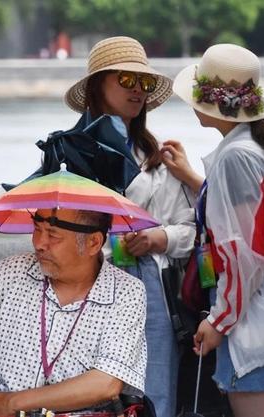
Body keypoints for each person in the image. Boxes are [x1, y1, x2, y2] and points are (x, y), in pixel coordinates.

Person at [161, 44, 264, 417]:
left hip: (256, 321)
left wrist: (218, 321)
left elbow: (247, 256)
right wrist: (194, 180)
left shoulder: (236, 157)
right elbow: (249, 221)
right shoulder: (257, 148)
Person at [63, 36, 195, 417]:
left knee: (155, 396)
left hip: (151, 289)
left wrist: (160, 238)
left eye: (145, 83)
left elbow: (190, 229)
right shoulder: (69, 155)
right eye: (125, 80)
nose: (137, 90)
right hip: (87, 289)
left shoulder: (158, 157)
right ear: (97, 85)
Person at [0, 208, 147, 417]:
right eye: (37, 228)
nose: (39, 243)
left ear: (93, 242)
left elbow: (105, 383)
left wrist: (12, 403)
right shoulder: (14, 271)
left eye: (53, 235)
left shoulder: (126, 292)